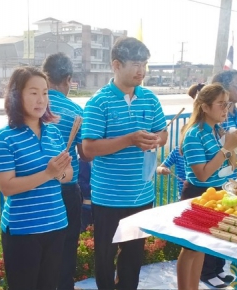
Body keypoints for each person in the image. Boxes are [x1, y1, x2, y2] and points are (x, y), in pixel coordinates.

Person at [82, 37, 168, 290]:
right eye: (135, 64)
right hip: (109, 197)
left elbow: (162, 133)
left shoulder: (150, 99)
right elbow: (88, 149)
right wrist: (130, 140)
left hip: (141, 194)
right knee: (105, 257)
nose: (141, 71)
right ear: (116, 65)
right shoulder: (99, 102)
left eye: (144, 64)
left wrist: (155, 140)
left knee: (133, 257)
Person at [0, 67, 73, 290]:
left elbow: (68, 175)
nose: (41, 99)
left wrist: (59, 172)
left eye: (45, 92)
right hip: (23, 231)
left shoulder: (54, 132)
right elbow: (7, 187)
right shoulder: (3, 138)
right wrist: (48, 173)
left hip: (56, 224)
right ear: (17, 96)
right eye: (33, 92)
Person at [177, 83, 237, 290]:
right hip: (198, 194)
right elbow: (202, 174)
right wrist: (226, 149)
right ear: (205, 107)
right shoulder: (194, 134)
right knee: (190, 248)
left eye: (227, 104)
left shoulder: (217, 130)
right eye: (221, 104)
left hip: (216, 194)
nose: (225, 109)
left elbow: (232, 164)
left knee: (202, 246)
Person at [42, 53, 91, 290]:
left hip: (35, 189)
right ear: (68, 79)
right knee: (67, 246)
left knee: (40, 249)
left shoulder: (34, 106)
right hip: (65, 187)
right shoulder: (75, 111)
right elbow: (85, 154)